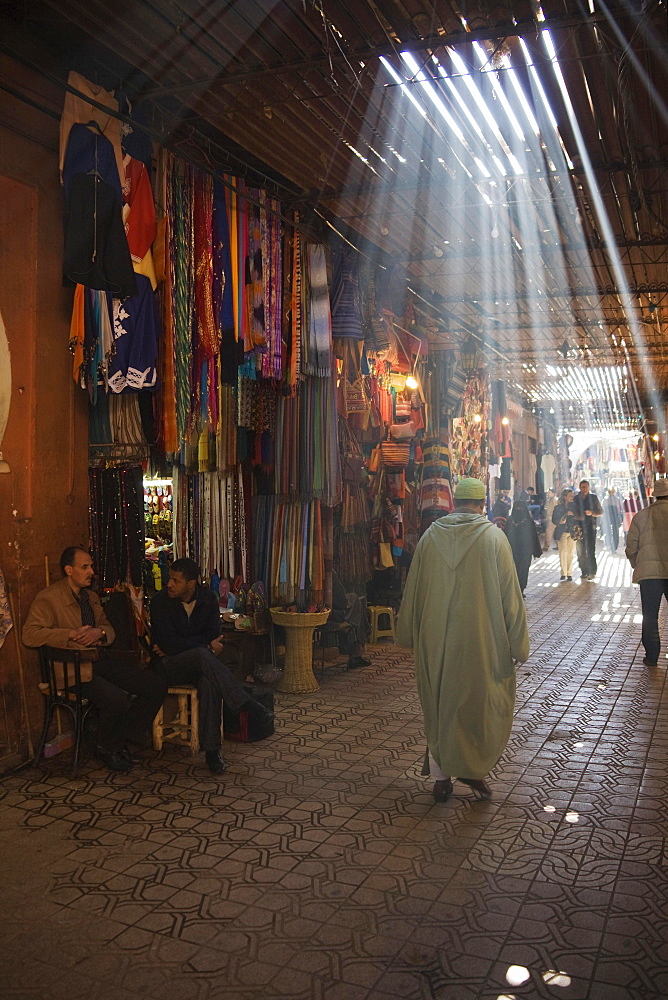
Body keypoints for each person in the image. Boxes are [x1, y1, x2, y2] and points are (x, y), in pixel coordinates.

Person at [397, 477, 529, 803]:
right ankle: (471, 770)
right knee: (474, 707)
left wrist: (408, 633)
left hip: (434, 636)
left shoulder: (429, 538)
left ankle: (442, 779)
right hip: (482, 641)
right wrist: (518, 644)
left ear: (454, 502)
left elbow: (413, 589)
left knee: (440, 704)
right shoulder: (495, 540)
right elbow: (511, 598)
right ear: (482, 504)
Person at [22, 546, 167, 772]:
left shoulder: (90, 597)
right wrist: (69, 634)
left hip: (96, 660)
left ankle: (121, 739)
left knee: (154, 685)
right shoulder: (49, 598)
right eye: (85, 567)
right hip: (70, 668)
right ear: (69, 570)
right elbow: (30, 634)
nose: (91, 572)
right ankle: (107, 747)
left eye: (91, 566)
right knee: (116, 698)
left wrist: (98, 633)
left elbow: (108, 629)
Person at [150, 558, 274, 774]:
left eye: (175, 580)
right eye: (170, 578)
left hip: (198, 665)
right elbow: (167, 642)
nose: (169, 584)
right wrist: (204, 645)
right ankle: (247, 703)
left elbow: (213, 635)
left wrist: (199, 645)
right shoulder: (160, 601)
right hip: (168, 666)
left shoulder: (207, 599)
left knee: (209, 682)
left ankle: (212, 752)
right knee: (201, 654)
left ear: (191, 584)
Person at [625, 478, 668, 666]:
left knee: (650, 615)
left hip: (649, 574)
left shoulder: (641, 516)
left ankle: (652, 656)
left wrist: (638, 564)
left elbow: (631, 547)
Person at [505, 500, 542, 596]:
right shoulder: (514, 521)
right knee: (518, 570)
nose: (518, 510)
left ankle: (520, 589)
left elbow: (533, 536)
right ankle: (518, 589)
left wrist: (536, 551)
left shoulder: (512, 521)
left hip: (521, 550)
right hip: (520, 550)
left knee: (521, 570)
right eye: (517, 508)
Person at [573, 479, 603, 580]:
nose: (584, 489)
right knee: (580, 551)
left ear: (589, 487)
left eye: (586, 487)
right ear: (579, 487)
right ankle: (584, 571)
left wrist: (592, 513)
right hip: (579, 527)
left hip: (590, 527)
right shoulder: (576, 498)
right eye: (582, 487)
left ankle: (592, 571)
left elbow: (601, 511)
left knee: (590, 550)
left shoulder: (593, 498)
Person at [552, 488, 577, 581]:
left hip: (572, 532)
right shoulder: (558, 507)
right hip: (562, 532)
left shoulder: (575, 506)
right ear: (565, 497)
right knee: (562, 552)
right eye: (570, 495)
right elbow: (554, 520)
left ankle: (569, 573)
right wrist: (560, 521)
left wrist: (573, 515)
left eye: (572, 495)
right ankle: (563, 573)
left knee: (571, 553)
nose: (572, 497)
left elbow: (579, 517)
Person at [602, 487, 623, 553]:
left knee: (608, 532)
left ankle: (609, 545)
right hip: (615, 517)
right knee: (615, 532)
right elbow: (620, 509)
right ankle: (614, 547)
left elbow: (603, 509)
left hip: (608, 517)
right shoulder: (617, 499)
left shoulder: (605, 499)